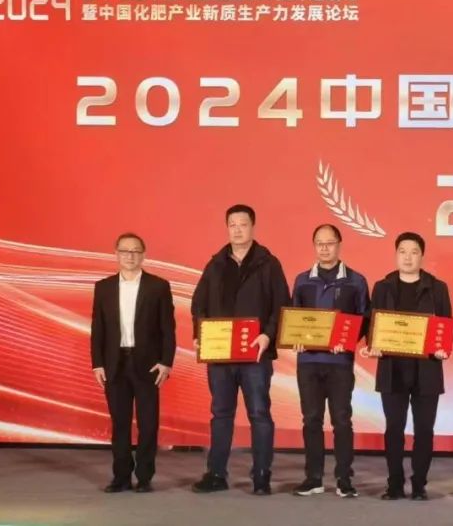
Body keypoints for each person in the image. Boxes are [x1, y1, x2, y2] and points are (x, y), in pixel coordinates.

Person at [191, 204, 289, 495]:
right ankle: (216, 474)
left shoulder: (269, 264)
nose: (237, 230)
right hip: (220, 355)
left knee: (259, 413)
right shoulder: (215, 264)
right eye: (232, 225)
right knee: (221, 414)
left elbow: (281, 305)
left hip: (255, 355)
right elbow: (198, 304)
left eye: (242, 224)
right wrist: (200, 334)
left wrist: (267, 336)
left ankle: (262, 475)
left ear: (252, 227)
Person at [360, 232, 451, 501]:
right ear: (396, 254)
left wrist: (442, 347)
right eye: (402, 251)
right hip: (393, 369)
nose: (408, 257)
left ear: (422, 256)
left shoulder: (437, 288)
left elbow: (445, 325)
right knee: (394, 429)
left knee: (424, 430)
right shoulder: (383, 287)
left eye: (414, 252)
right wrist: (373, 344)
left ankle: (419, 484)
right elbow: (372, 323)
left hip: (427, 370)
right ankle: (394, 484)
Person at [90, 232, 176, 493]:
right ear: (116, 254)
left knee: (148, 423)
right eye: (125, 251)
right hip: (114, 364)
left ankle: (145, 476)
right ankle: (121, 476)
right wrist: (97, 363)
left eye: (136, 251)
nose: (130, 256)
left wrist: (166, 362)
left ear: (143, 255)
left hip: (148, 365)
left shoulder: (158, 286)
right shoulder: (103, 287)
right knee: (120, 423)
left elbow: (168, 329)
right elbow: (98, 328)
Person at [291, 224, 369, 498]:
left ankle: (344, 479)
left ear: (339, 244)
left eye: (330, 243)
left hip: (340, 363)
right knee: (311, 419)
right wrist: (295, 339)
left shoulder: (356, 281)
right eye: (319, 243)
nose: (324, 248)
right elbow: (294, 318)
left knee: (342, 420)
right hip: (308, 362)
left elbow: (364, 319)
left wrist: (348, 340)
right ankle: (313, 478)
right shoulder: (302, 280)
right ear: (314, 246)